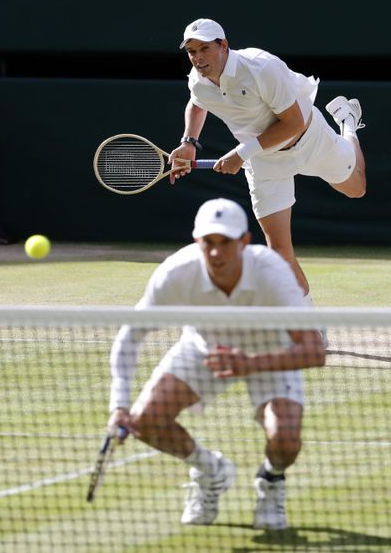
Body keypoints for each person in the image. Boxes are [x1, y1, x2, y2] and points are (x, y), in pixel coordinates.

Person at [107, 198, 325, 529]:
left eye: (225, 243)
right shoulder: (176, 273)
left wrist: (249, 362)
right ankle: (210, 471)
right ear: (197, 242)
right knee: (144, 422)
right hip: (204, 346)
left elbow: (314, 351)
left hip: (270, 349)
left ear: (244, 242)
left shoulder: (272, 273)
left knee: (286, 439)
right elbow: (129, 337)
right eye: (208, 242)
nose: (215, 253)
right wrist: (119, 405)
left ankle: (271, 479)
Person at [169, 18, 366, 303]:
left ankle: (347, 124)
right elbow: (198, 102)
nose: (198, 58)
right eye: (191, 51)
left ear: (223, 46)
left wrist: (240, 154)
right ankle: (308, 322)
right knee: (279, 250)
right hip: (265, 162)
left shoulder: (261, 67)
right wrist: (188, 142)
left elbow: (293, 123)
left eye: (204, 49)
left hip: (310, 138)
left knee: (356, 188)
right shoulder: (197, 80)